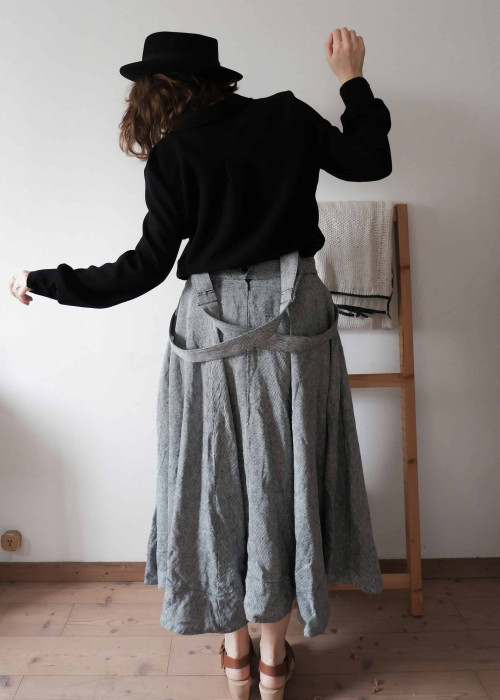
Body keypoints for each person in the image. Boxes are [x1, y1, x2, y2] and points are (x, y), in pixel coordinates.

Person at [9, 29, 392, 700]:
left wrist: (46, 280)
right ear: (215, 79)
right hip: (296, 313)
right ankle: (274, 661)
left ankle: (236, 659)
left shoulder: (173, 155)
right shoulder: (287, 114)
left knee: (215, 474)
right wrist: (351, 79)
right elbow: (370, 161)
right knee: (288, 473)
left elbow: (142, 269)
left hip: (209, 324)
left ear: (157, 91)